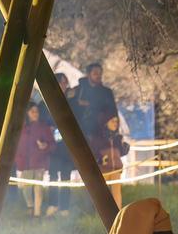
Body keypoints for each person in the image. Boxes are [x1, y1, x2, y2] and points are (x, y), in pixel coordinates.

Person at [15, 102, 54, 218]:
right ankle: (30, 206)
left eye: (36, 111)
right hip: (26, 163)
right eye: (32, 111)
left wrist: (45, 146)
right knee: (26, 187)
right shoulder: (22, 128)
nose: (35, 113)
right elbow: (17, 145)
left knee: (38, 188)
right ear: (27, 113)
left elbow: (52, 144)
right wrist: (18, 159)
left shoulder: (44, 127)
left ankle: (37, 213)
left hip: (39, 162)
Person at [45, 73, 75, 216]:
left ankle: (64, 207)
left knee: (66, 177)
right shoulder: (48, 100)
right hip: (53, 146)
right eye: (61, 82)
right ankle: (52, 204)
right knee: (53, 176)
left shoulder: (71, 101)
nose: (63, 85)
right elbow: (45, 118)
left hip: (67, 146)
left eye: (65, 82)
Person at [90, 114, 129, 209]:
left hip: (116, 168)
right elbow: (94, 152)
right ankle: (103, 214)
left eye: (116, 121)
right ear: (106, 122)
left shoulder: (118, 137)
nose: (115, 124)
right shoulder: (99, 138)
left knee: (117, 193)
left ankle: (117, 214)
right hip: (104, 169)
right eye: (112, 121)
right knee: (102, 193)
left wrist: (125, 148)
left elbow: (120, 152)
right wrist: (100, 159)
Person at [74, 62, 118, 139]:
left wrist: (113, 131)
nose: (99, 76)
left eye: (100, 73)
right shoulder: (77, 91)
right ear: (88, 74)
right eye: (95, 73)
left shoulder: (106, 92)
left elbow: (112, 112)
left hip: (100, 133)